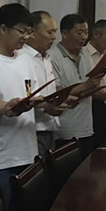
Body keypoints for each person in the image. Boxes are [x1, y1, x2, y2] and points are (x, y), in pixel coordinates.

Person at [0, 3, 39, 207]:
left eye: (29, 32)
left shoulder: (26, 60)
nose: (26, 37)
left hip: (29, 152)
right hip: (0, 158)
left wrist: (46, 103)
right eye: (22, 31)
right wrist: (7, 107)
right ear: (3, 28)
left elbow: (31, 94)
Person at [50, 14, 102, 158]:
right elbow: (56, 92)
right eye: (79, 33)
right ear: (65, 33)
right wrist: (86, 86)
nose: (84, 37)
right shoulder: (52, 56)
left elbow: (90, 85)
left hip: (87, 127)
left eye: (86, 32)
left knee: (85, 169)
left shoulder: (85, 54)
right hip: (64, 129)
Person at [20, 11, 66, 156]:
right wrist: (47, 107)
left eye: (55, 32)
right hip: (34, 130)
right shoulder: (22, 58)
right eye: (49, 32)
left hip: (50, 127)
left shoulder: (46, 57)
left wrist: (61, 99)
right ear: (32, 33)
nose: (54, 37)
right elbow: (24, 95)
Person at [85, 19, 106, 143]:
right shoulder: (84, 54)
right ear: (96, 34)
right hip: (91, 106)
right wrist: (94, 94)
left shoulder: (105, 55)